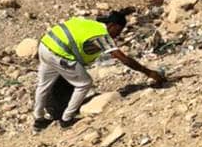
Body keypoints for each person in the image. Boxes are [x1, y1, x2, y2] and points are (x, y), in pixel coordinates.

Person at [34, 10, 165, 131]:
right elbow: (124, 59)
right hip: (59, 53)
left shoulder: (92, 23)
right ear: (112, 25)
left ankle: (39, 119)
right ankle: (66, 119)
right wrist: (149, 72)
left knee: (43, 85)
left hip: (45, 44)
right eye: (118, 30)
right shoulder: (102, 35)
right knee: (84, 84)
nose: (117, 35)